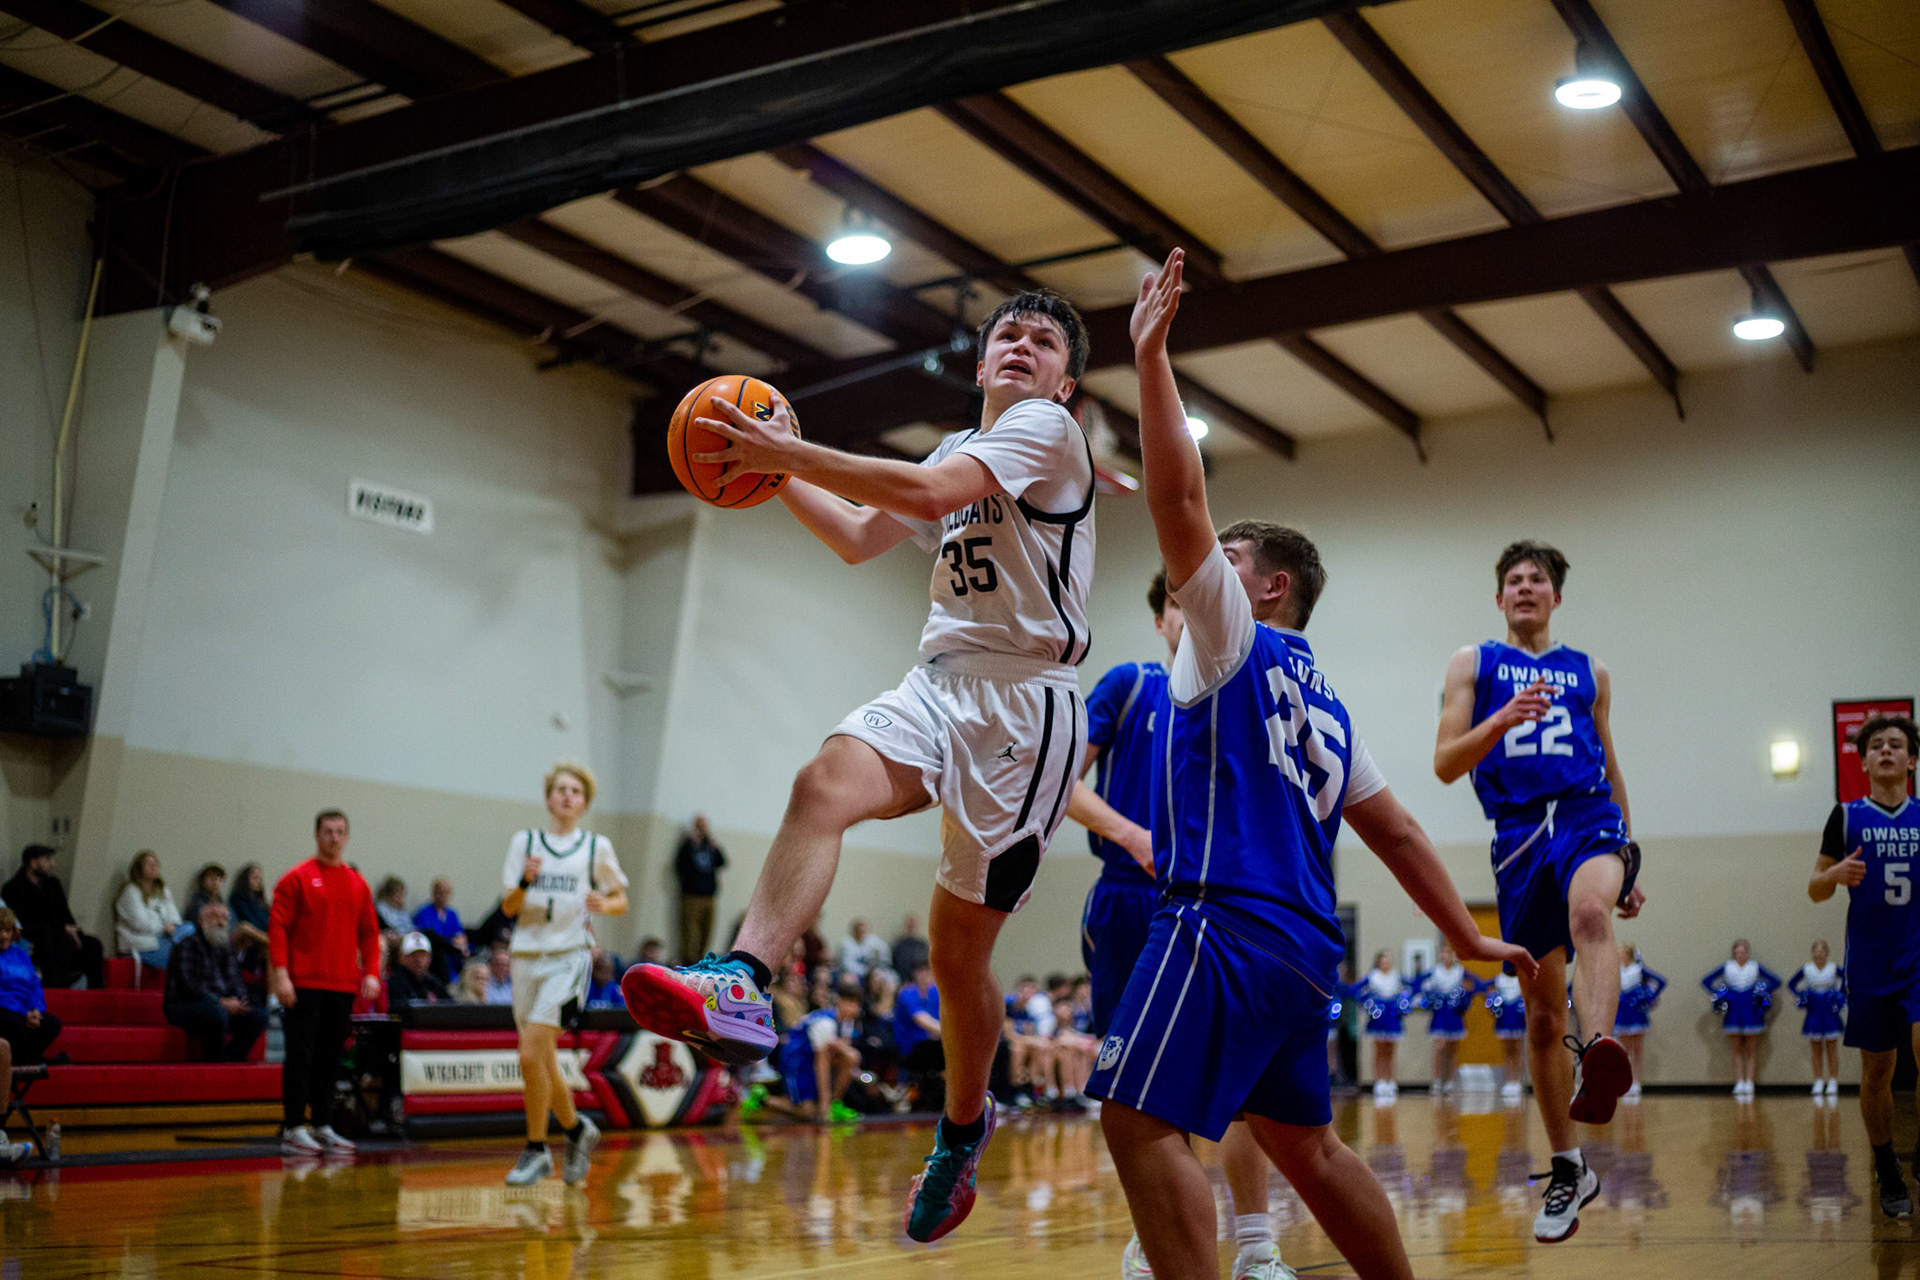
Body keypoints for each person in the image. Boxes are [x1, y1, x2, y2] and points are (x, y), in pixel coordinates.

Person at [1086, 249, 1536, 1280]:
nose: (1207, 564)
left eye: (1231, 557)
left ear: (1268, 587)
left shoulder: (1230, 636)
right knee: (1310, 1147)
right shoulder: (1326, 700)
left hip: (1221, 920)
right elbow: (1399, 831)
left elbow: (1176, 498)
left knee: (1134, 1115)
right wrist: (1465, 934)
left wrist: (1151, 359)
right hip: (1302, 948)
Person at [622, 287, 1102, 1244]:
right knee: (822, 784)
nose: (1023, 345)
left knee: (957, 955)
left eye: (1045, 341)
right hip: (941, 680)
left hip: (1026, 703)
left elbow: (925, 498)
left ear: (1065, 384)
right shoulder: (956, 445)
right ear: (979, 364)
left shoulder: (1049, 432)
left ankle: (962, 1130)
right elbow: (855, 536)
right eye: (1007, 334)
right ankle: (742, 981)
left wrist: (784, 452)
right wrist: (764, 466)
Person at [1069, 567, 1290, 1279]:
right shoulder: (1131, 686)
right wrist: (1132, 834)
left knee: (1246, 1086)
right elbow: (1060, 781)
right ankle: (1154, 1236)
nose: (1187, 613)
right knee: (1142, 1092)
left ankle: (1256, 1246)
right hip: (1132, 900)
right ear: (1161, 619)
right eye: (1174, 603)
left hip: (1224, 903)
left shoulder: (1245, 691)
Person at [1433, 535, 1646, 1242]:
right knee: (1543, 1016)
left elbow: (1610, 764)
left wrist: (1628, 858)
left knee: (1591, 913)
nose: (1526, 587)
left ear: (1557, 595)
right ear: (1499, 597)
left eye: (1538, 579)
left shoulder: (1590, 671)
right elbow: (1445, 763)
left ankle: (1602, 1054)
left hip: (1587, 815)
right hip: (1520, 832)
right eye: (1515, 580)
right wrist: (1500, 718)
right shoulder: (1474, 663)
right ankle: (1568, 1168)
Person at [1807, 713, 1920, 1217]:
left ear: (1912, 761)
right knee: (1878, 1070)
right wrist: (1833, 872)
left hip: (1918, 954)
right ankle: (1886, 1164)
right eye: (1877, 746)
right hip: (1871, 960)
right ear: (1865, 762)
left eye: (1896, 744)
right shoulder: (1847, 816)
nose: (1887, 751)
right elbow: (1815, 889)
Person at [501, 761, 627, 1187]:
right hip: (525, 955)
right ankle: (575, 1130)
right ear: (548, 797)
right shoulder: (525, 842)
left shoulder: (595, 847)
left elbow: (621, 899)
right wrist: (524, 882)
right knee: (542, 1058)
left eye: (576, 791)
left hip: (569, 957)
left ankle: (536, 1149)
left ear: (585, 803)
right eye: (561, 789)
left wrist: (603, 904)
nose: (568, 796)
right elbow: (508, 907)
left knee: (529, 1054)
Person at [269, 809, 382, 1156]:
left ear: (347, 837)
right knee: (300, 1056)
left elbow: (370, 932)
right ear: (317, 835)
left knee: (330, 1059)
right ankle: (293, 1126)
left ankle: (322, 1125)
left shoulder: (357, 883)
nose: (334, 838)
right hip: (303, 984)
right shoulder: (296, 878)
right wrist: (281, 974)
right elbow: (278, 927)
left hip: (342, 986)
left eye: (340, 832)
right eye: (328, 831)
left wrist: (372, 972)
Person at [164, 900, 267, 1062]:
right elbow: (191, 987)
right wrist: (221, 1002)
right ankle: (214, 1059)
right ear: (201, 921)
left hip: (220, 1004)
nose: (221, 922)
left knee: (259, 1016)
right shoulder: (187, 946)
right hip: (187, 1005)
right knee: (216, 1014)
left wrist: (240, 1000)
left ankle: (233, 1057)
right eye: (214, 917)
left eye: (224, 918)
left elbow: (236, 982)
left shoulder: (227, 947)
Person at [2, 845, 103, 990]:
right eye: (47, 859)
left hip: (60, 931)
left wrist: (74, 930)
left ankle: (96, 991)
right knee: (59, 940)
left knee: (93, 944)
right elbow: (24, 920)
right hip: (36, 935)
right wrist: (62, 928)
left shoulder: (53, 884)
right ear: (33, 863)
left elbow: (65, 913)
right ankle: (55, 986)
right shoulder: (13, 888)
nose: (52, 864)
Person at [1701, 940, 1779, 1099]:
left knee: (1751, 1047)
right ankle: (1739, 1081)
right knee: (1736, 1048)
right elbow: (1706, 981)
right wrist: (1721, 993)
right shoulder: (1727, 966)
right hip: (1734, 1010)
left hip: (1751, 1010)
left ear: (1748, 953)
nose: (1740, 955)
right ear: (1733, 954)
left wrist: (1760, 991)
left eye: (1743, 952)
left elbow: (1776, 981)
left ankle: (1749, 1081)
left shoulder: (1754, 966)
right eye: (1737, 952)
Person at [1349, 952, 1416, 1101]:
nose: (1386, 964)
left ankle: (1390, 1080)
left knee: (1391, 1050)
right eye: (1384, 961)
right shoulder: (1373, 976)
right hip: (1379, 1016)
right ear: (1378, 962)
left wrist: (1404, 1001)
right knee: (1379, 1050)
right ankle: (1379, 1081)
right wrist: (1367, 1002)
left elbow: (1414, 985)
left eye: (1388, 961)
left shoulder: (1396, 976)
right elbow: (1355, 990)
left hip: (1392, 1015)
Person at [0, 907, 59, 1064]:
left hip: (23, 1010)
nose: (3, 935)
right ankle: (27, 1061)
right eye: (0, 931)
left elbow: (34, 986)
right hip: (5, 1009)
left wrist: (35, 1010)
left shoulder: (21, 955)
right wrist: (23, 1013)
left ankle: (28, 1059)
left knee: (52, 1024)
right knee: (12, 1022)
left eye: (7, 931)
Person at [1788, 938, 1845, 1099]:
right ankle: (1818, 1080)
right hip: (1814, 1012)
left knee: (1832, 1049)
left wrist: (1840, 995)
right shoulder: (1807, 969)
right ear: (1812, 952)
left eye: (1822, 951)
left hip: (1829, 1012)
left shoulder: (1833, 968)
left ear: (1827, 952)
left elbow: (1847, 979)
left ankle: (1833, 1080)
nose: (1819, 954)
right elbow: (1792, 983)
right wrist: (1802, 996)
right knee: (1816, 1050)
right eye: (1816, 951)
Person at [116, 850, 187, 970]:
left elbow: (174, 915)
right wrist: (163, 928)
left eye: (156, 863)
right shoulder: (131, 892)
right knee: (181, 955)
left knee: (189, 928)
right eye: (149, 864)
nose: (154, 866)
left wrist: (172, 925)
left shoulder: (162, 889)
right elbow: (140, 924)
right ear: (139, 869)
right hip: (142, 944)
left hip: (164, 937)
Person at [1613, 944, 1667, 1101]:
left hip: (1636, 1011)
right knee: (1623, 1050)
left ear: (1628, 955)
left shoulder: (1639, 969)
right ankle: (1625, 1082)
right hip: (1622, 1011)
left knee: (1637, 1049)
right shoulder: (1616, 970)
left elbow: (1661, 981)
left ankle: (1636, 1082)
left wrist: (1650, 997)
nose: (1619, 955)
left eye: (1621, 953)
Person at [673, 815, 727, 963]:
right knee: (689, 932)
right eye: (700, 826)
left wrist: (716, 848)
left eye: (705, 826)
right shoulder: (687, 845)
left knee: (707, 931)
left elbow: (722, 863)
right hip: (691, 895)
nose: (703, 830)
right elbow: (679, 866)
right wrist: (691, 846)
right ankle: (687, 961)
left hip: (709, 896)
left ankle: (702, 960)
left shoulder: (710, 845)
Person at [411, 877, 469, 980]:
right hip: (435, 960)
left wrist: (461, 942)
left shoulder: (452, 914)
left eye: (446, 893)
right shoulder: (424, 912)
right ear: (433, 893)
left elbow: (459, 934)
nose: (443, 896)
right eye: (440, 892)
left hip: (452, 961)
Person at [1486, 970, 1527, 1103]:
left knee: (1518, 1049)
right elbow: (1483, 986)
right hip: (1504, 1018)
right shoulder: (1499, 979)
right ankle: (1509, 1081)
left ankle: (1517, 1081)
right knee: (1507, 1050)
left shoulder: (1521, 978)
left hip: (1517, 1018)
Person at [387, 933, 452, 1004]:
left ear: (430, 958)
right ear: (402, 957)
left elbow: (451, 1004)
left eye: (423, 955)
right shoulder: (396, 983)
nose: (418, 960)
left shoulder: (432, 983)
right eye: (413, 955)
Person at [838, 918, 890, 982]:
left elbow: (884, 953)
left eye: (863, 930)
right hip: (855, 974)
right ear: (854, 931)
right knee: (849, 979)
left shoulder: (873, 940)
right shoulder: (847, 943)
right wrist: (866, 971)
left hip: (873, 972)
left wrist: (879, 968)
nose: (861, 932)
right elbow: (848, 965)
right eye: (858, 930)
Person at [181, 863, 228, 932]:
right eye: (212, 879)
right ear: (203, 881)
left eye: (219, 879)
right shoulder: (197, 901)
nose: (216, 883)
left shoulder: (221, 900)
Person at [890, 914, 929, 981]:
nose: (911, 928)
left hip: (920, 983)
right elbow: (893, 965)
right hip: (902, 982)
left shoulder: (923, 945)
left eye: (913, 926)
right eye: (909, 926)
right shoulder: (898, 946)